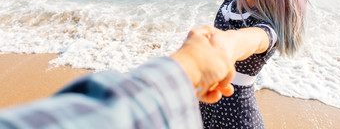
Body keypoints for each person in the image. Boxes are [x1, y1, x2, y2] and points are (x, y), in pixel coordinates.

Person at [146, 0, 307, 128]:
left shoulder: (267, 28)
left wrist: (221, 45)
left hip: (236, 118)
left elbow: (244, 40)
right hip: (207, 108)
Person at [0, 27, 239, 129]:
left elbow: (255, 38)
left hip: (233, 109)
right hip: (205, 102)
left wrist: (194, 63)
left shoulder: (263, 20)